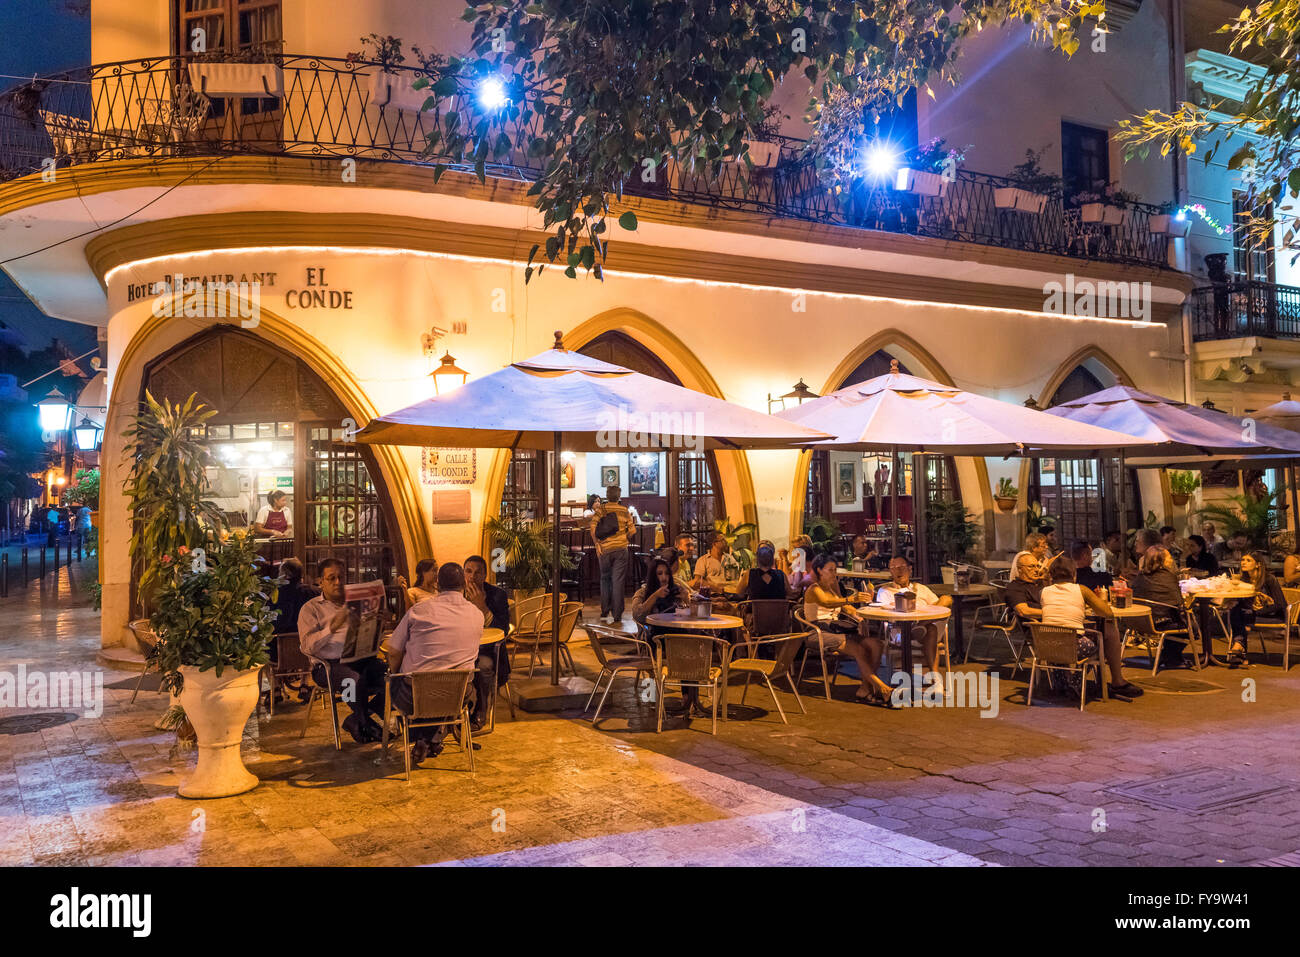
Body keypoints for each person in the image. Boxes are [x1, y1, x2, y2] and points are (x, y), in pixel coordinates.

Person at [386, 562, 485, 764]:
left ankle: (421, 738)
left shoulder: (419, 611)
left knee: (394, 683)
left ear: (438, 583)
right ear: (464, 584)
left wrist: (395, 672)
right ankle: (431, 738)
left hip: (414, 696)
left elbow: (394, 651)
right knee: (448, 688)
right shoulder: (476, 614)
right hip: (457, 697)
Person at [298, 558, 387, 744]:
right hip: (329, 666)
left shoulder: (357, 602)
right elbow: (307, 647)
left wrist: (378, 625)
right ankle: (366, 724)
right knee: (352, 682)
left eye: (341, 577)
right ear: (320, 581)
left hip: (362, 658)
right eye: (331, 578)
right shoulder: (311, 609)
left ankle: (357, 719)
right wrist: (332, 627)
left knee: (394, 678)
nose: (338, 582)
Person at [1039, 556, 1144, 698]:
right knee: (1104, 635)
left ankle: (1065, 682)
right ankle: (1085, 681)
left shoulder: (1044, 592)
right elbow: (1107, 613)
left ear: (1051, 575)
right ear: (1074, 574)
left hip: (1047, 646)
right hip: (1074, 647)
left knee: (1064, 637)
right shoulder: (1081, 590)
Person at [803, 554, 895, 706]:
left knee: (876, 644)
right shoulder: (814, 589)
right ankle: (882, 688)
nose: (834, 574)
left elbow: (842, 605)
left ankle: (865, 688)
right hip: (817, 632)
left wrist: (857, 614)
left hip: (835, 628)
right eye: (830, 570)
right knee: (858, 649)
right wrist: (851, 598)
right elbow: (827, 603)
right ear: (819, 570)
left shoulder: (833, 586)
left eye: (835, 570)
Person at [872, 555, 953, 681]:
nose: (898, 570)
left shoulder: (921, 588)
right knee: (930, 628)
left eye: (901, 567)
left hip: (923, 630)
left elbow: (941, 602)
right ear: (890, 572)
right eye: (893, 568)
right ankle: (935, 677)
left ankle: (921, 624)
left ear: (910, 569)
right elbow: (884, 612)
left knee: (945, 599)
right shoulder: (885, 591)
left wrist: (926, 614)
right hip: (899, 632)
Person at [463, 555, 512, 729]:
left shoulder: (497, 595)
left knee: (483, 666)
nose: (472, 576)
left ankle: (481, 709)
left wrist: (482, 607)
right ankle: (451, 714)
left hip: (486, 650)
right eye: (468, 571)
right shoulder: (456, 595)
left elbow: (503, 630)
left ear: (484, 575)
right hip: (460, 649)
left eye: (478, 572)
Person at [1129, 546, 1190, 669]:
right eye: (1169, 558)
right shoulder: (1168, 577)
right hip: (1161, 622)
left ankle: (1170, 657)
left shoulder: (1140, 576)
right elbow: (1178, 603)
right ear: (1163, 561)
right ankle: (1170, 657)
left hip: (1138, 623)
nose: (1172, 561)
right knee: (1191, 624)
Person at [1228, 550, 1287, 663]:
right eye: (1243, 560)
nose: (1243, 563)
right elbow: (1242, 603)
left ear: (1258, 564)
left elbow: (1279, 605)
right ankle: (1239, 646)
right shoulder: (1243, 580)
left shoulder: (1269, 579)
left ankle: (1239, 648)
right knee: (1234, 610)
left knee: (1242, 616)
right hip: (1251, 614)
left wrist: (1256, 612)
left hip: (1273, 616)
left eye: (1248, 560)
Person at [590, 485, 635, 624]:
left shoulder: (601, 509)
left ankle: (604, 611)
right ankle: (617, 615)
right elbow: (633, 531)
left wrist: (597, 544)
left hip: (605, 549)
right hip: (621, 549)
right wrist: (624, 538)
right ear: (619, 496)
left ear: (607, 495)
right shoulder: (624, 510)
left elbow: (592, 528)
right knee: (618, 581)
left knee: (605, 580)